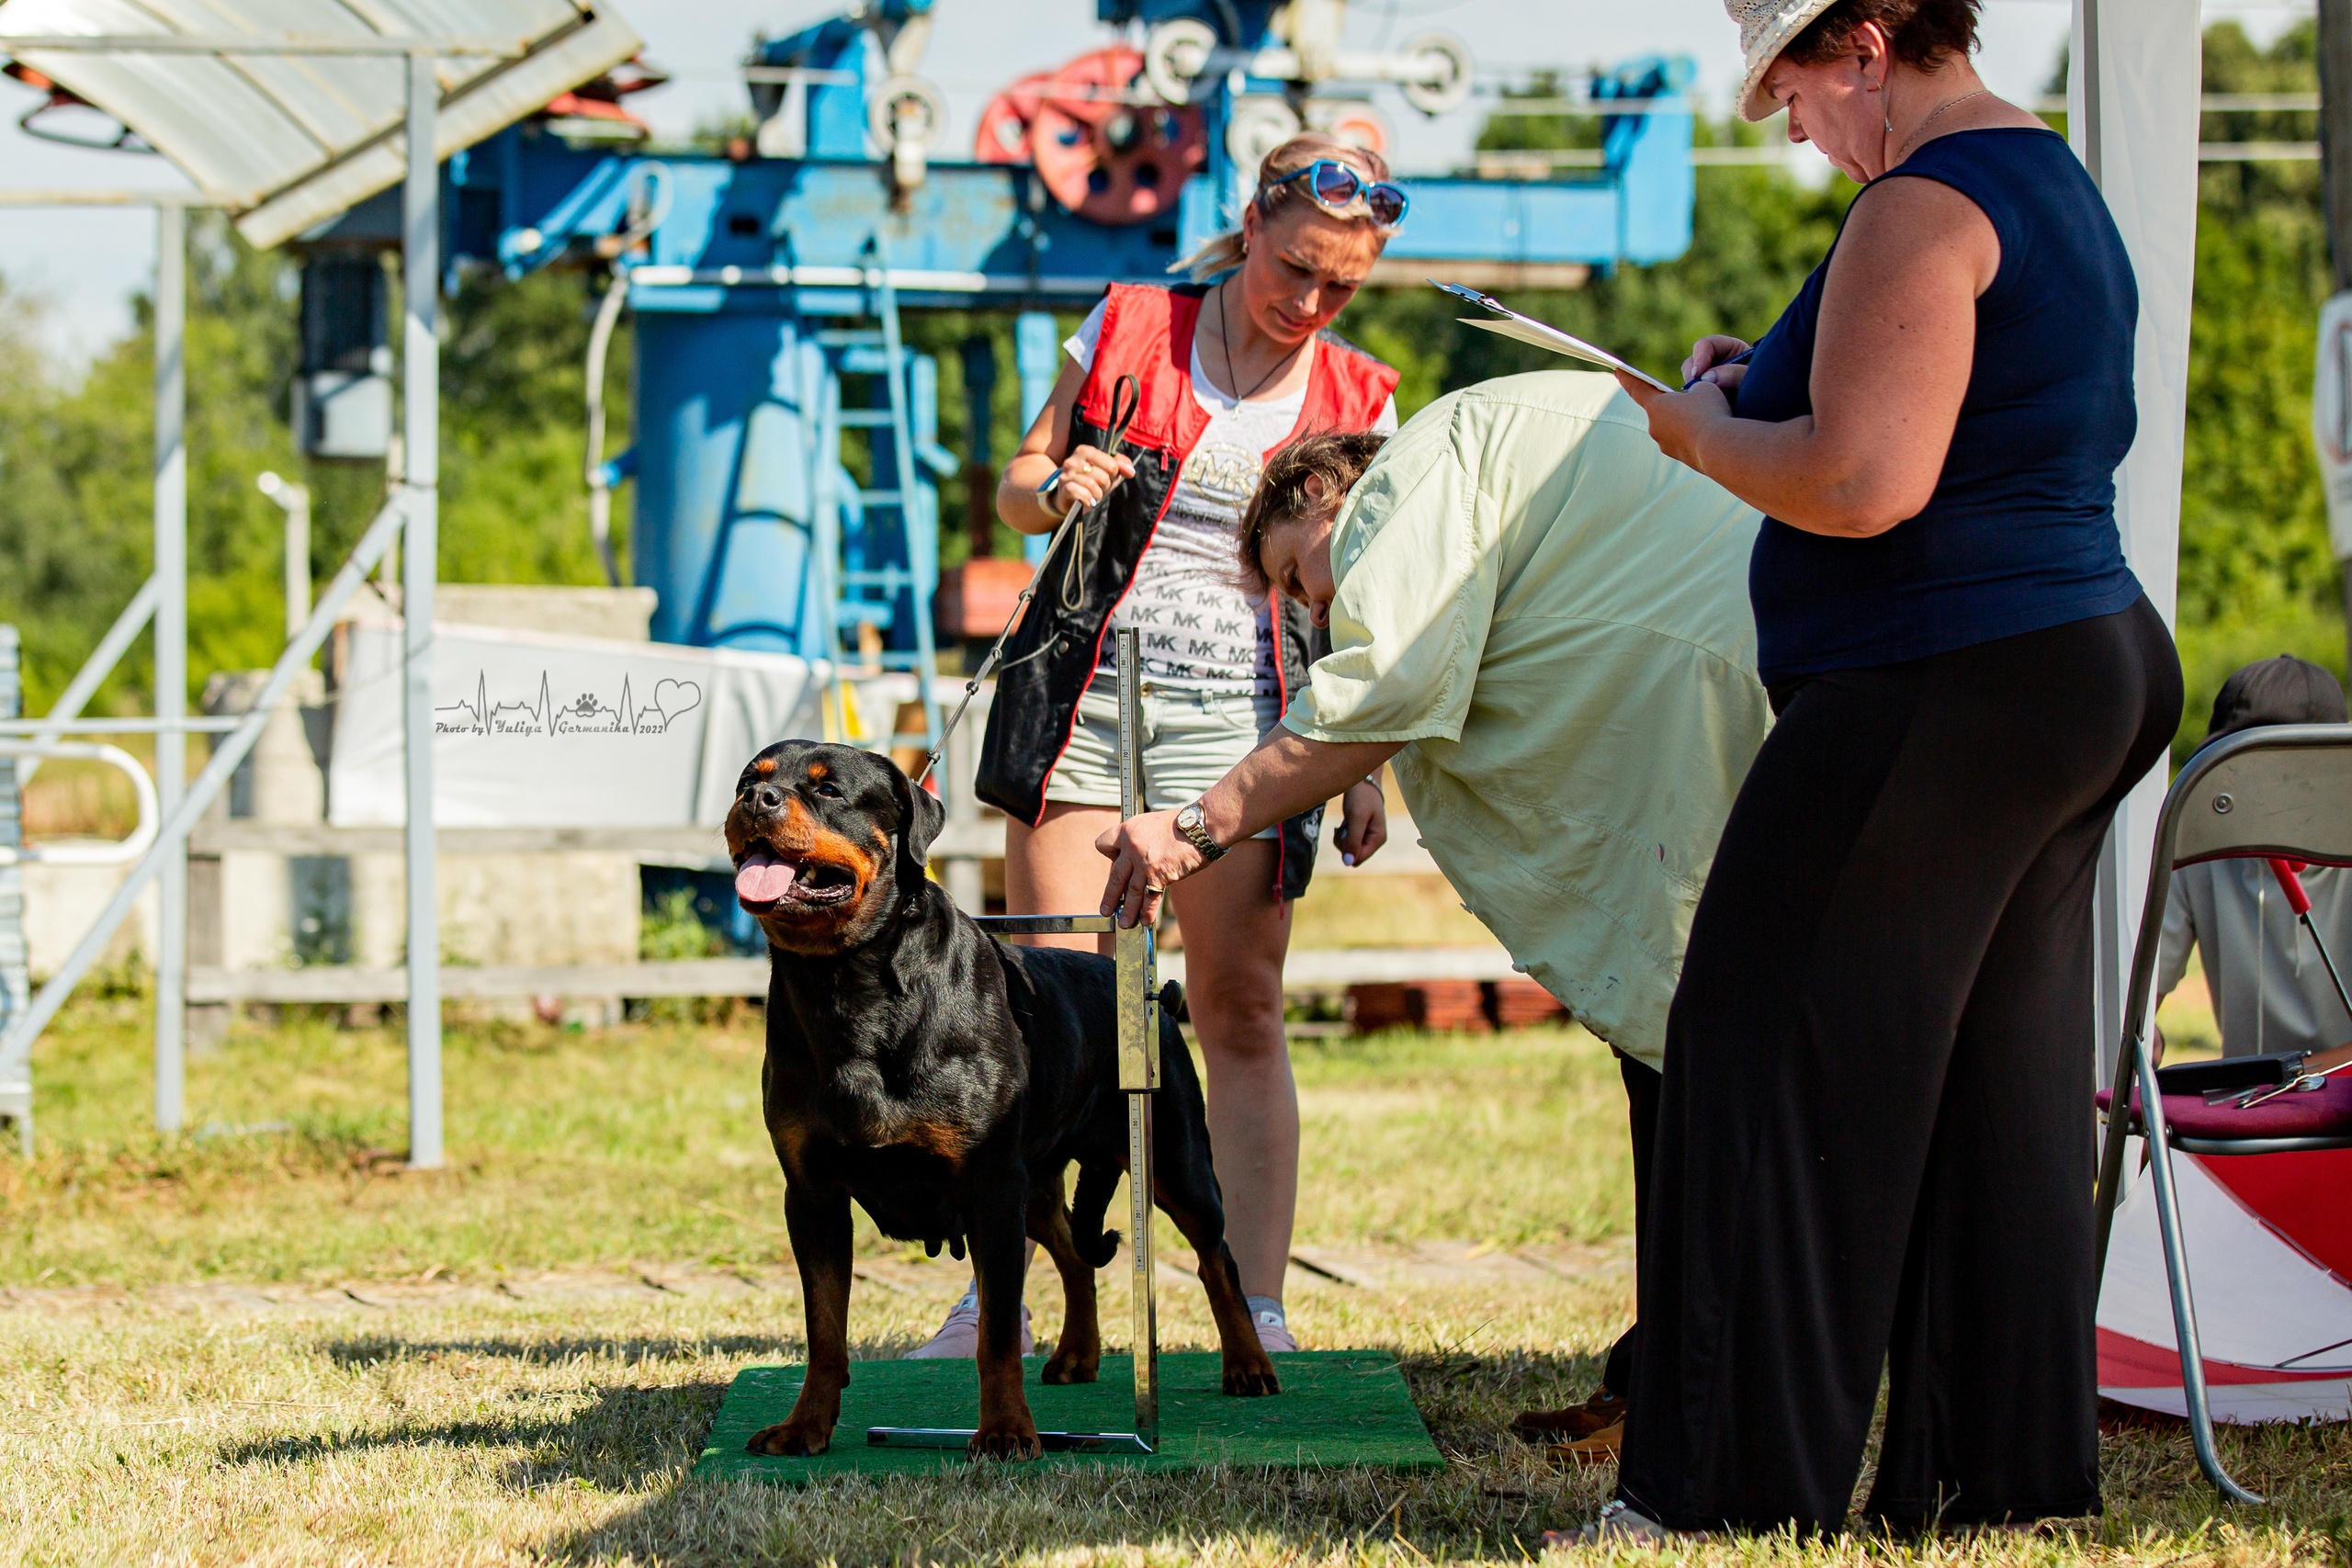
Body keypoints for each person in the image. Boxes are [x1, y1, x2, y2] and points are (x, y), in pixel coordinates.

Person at [1590, 0, 2184, 1540]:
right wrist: (1759, 377)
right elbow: (1958, 414)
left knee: (1759, 1063)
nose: (1789, 124)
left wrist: (1693, 434)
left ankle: (1712, 1495)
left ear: (1864, 42)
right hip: (2070, 663)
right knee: (2000, 1091)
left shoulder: (1920, 203)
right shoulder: (2037, 172)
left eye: (1790, 86)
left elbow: (1865, 480)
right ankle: (2008, 1476)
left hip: (1946, 677)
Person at [1090, 373, 1775, 1458]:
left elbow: (1391, 685)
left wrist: (1192, 825)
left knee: (1693, 1070)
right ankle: (1667, 1375)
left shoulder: (1408, 479)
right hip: (1732, 696)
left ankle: (1698, 1399)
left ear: (1319, 489)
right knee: (1677, 1063)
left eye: (1292, 577)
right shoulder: (1477, 463)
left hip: (1714, 714)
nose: (1312, 612)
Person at [905, 135, 1407, 1360]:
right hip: (1085, 696)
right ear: (1249, 226)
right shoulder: (1130, 321)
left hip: (1249, 722)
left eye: (1341, 287)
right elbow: (1021, 478)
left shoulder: (1361, 392)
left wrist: (1365, 762)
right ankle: (1001, 1299)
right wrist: (1052, 485)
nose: (1311, 304)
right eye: (1295, 270)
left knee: (1237, 1006)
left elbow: (1364, 596)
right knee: (1038, 1003)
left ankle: (1260, 1300)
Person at [2157, 657, 2352, 1060]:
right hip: (2244, 1105)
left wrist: (2292, 1080)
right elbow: (2136, 1000)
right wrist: (2140, 1035)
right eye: (2231, 766)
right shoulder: (2201, 846)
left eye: (2265, 768)